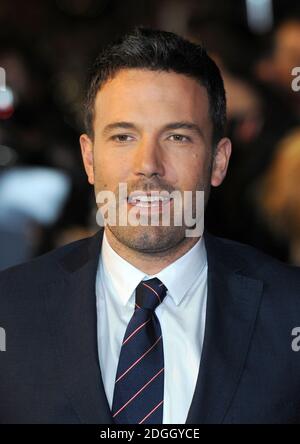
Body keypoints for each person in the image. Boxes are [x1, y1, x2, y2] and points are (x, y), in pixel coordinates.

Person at [0, 27, 300, 425]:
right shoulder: (10, 309)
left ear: (218, 161)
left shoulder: (290, 311)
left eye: (177, 136)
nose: (148, 165)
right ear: (89, 159)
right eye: (123, 136)